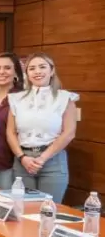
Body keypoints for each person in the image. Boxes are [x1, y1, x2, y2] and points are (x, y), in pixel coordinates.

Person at [7, 52, 78, 203]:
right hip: (23, 163)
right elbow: (10, 132)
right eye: (32, 68)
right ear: (27, 73)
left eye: (42, 67)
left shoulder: (65, 98)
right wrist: (22, 157)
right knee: (23, 210)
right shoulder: (16, 99)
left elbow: (69, 133)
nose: (37, 71)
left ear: (51, 71)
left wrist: (42, 158)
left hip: (52, 162)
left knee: (48, 211)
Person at [0, 52, 24, 190]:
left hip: (11, 166)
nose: (1, 72)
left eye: (7, 68)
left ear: (16, 72)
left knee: (8, 206)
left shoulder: (23, 97)